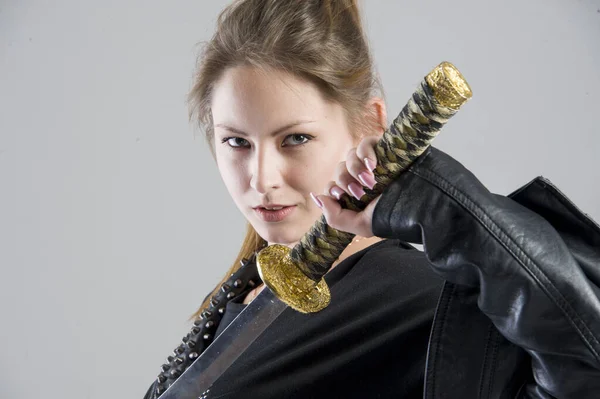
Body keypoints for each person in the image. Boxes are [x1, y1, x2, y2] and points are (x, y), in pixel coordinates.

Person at [143, 0, 600, 398]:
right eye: (236, 142)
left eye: (296, 138)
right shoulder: (245, 290)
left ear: (371, 125)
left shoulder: (424, 306)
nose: (260, 179)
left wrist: (443, 208)